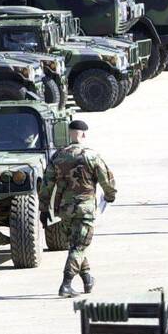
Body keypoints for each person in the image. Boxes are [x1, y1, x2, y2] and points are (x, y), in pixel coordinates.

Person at [42, 119, 115, 297]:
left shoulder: (58, 156)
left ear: (69, 133)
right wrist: (110, 196)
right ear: (83, 134)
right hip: (85, 210)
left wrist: (44, 209)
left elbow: (46, 185)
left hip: (65, 211)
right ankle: (66, 284)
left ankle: (87, 278)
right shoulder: (91, 156)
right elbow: (107, 181)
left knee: (75, 246)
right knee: (79, 248)